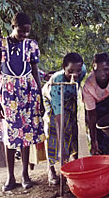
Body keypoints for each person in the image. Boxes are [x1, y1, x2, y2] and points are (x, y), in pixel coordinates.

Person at [0, 12, 45, 191]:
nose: (24, 35)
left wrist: (40, 98)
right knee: (10, 135)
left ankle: (25, 175)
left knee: (26, 135)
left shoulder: (31, 45)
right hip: (8, 94)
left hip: (28, 92)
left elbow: (35, 71)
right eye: (21, 31)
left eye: (27, 32)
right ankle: (10, 177)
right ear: (13, 27)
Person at [42, 52, 86, 185]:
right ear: (63, 68)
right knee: (53, 131)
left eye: (77, 71)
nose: (75, 75)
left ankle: (74, 165)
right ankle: (51, 169)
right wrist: (62, 146)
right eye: (70, 72)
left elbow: (78, 79)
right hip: (52, 101)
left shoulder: (82, 71)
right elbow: (58, 116)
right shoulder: (56, 81)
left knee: (73, 127)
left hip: (69, 98)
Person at [82, 53, 109, 167]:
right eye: (98, 70)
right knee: (99, 144)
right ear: (93, 69)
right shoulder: (88, 87)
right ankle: (101, 169)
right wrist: (94, 140)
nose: (102, 73)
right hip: (97, 111)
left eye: (105, 69)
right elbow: (91, 114)